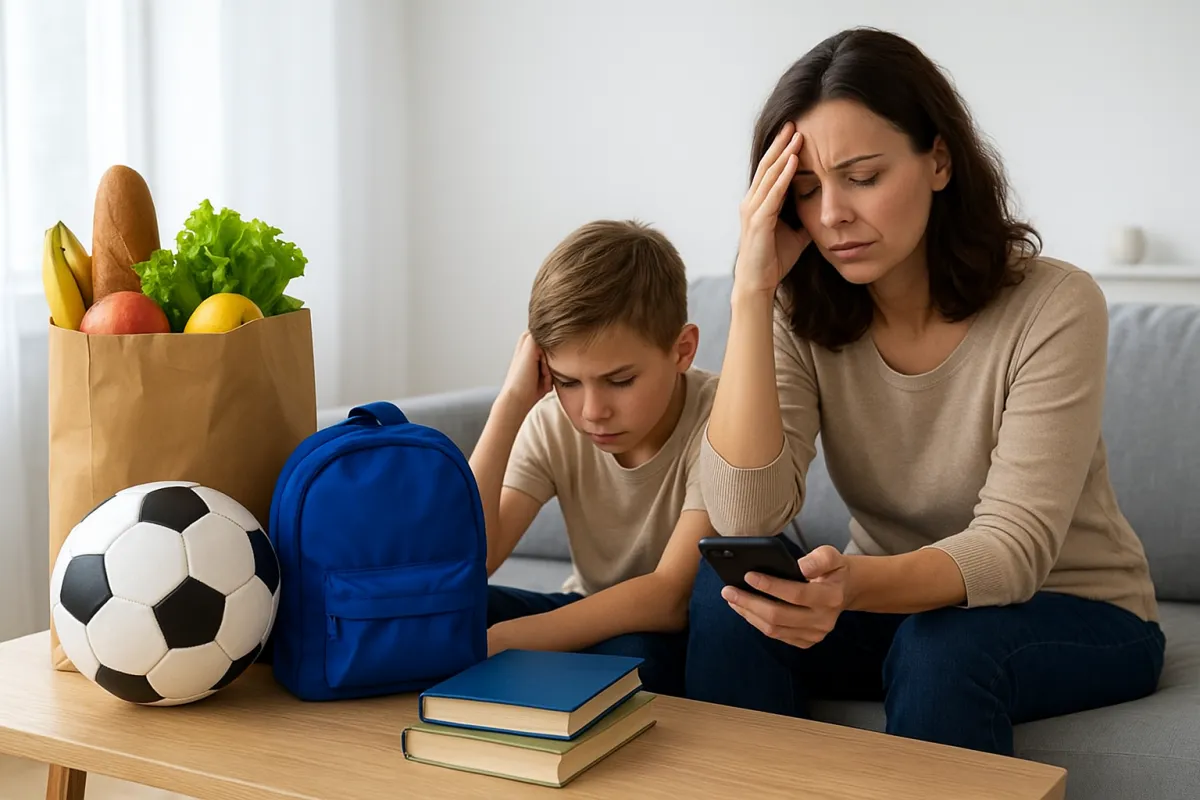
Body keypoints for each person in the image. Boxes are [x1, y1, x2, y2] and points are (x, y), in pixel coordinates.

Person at [686, 27, 1166, 756]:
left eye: (862, 177)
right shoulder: (797, 308)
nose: (831, 214)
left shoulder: (1056, 304)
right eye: (807, 190)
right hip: (897, 608)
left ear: (938, 159)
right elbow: (745, 515)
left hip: (1074, 608)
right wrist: (751, 293)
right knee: (729, 597)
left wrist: (851, 586)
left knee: (943, 648)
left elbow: (1011, 551)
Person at [473, 219, 719, 696]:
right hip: (590, 613)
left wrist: (505, 640)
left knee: (635, 653)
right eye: (568, 382)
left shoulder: (722, 419)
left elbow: (669, 598)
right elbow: (470, 564)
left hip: (674, 633)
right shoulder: (551, 421)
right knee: (455, 611)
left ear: (682, 350)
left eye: (620, 381)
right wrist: (510, 405)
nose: (592, 412)